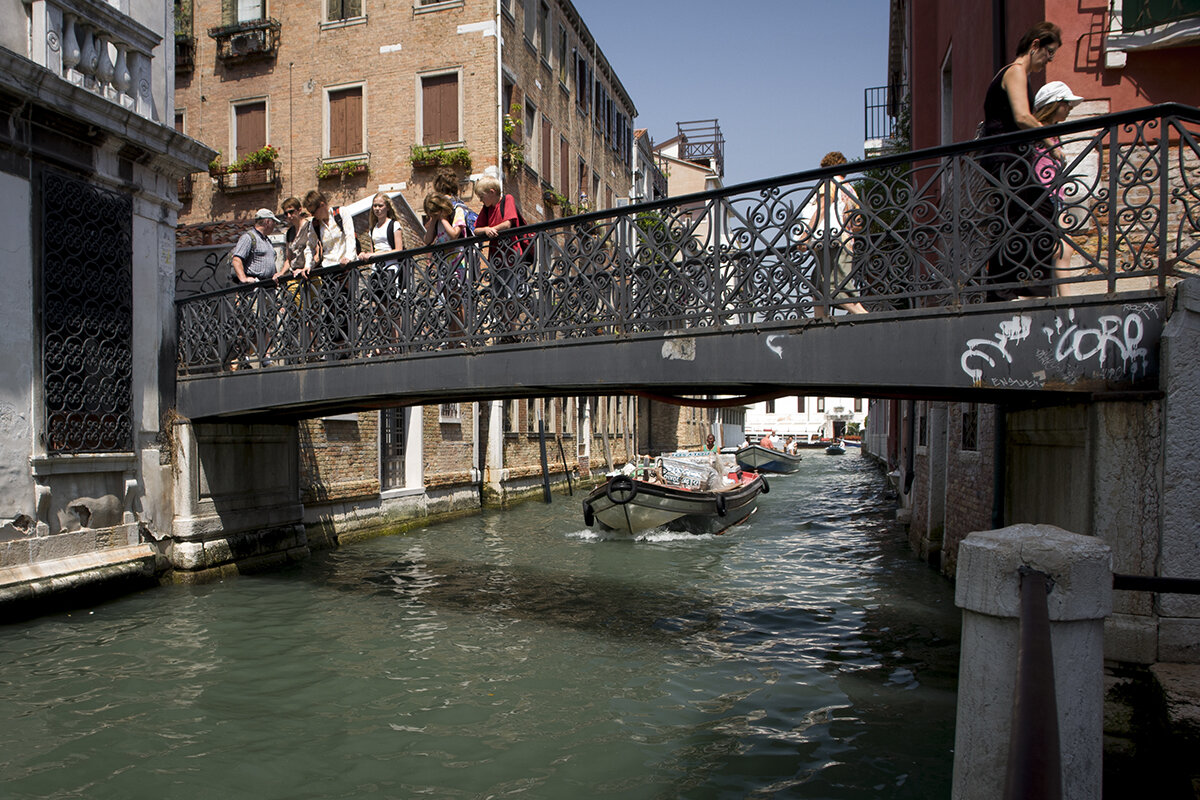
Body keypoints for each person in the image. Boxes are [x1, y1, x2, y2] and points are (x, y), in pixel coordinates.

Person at [981, 21, 1063, 301]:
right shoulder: (1015, 72)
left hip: (1006, 157)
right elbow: (1022, 117)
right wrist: (1051, 142)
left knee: (1016, 218)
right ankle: (1020, 287)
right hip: (1005, 157)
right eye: (1049, 53)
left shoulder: (1014, 74)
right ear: (1035, 45)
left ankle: (1007, 289)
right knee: (1039, 213)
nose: (1049, 60)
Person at [1031, 81, 1085, 296]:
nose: (1069, 109)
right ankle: (1065, 298)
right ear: (1055, 104)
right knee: (1062, 247)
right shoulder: (1038, 131)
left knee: (1061, 248)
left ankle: (1063, 297)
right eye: (1067, 104)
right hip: (1045, 195)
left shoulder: (1052, 133)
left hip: (1056, 196)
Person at [799, 152, 867, 316]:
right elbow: (858, 223)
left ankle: (865, 317)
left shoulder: (829, 182)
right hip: (845, 242)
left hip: (832, 242)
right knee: (818, 285)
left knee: (836, 286)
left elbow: (822, 208)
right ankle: (820, 323)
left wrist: (805, 236)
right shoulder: (850, 189)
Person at [304, 190, 359, 356]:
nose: (313, 215)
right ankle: (335, 346)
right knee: (329, 307)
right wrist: (308, 264)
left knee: (345, 305)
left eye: (314, 211)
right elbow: (309, 246)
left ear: (322, 205)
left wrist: (349, 257)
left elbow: (350, 236)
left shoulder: (341, 213)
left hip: (344, 267)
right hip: (328, 268)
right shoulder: (315, 224)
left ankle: (348, 347)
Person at [474, 175, 529, 340]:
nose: (480, 200)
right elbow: (476, 229)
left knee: (511, 291)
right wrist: (486, 230)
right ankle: (504, 329)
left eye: (481, 196)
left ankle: (512, 329)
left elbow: (508, 223)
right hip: (496, 257)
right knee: (498, 293)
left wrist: (492, 229)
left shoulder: (507, 199)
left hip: (511, 253)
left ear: (492, 192)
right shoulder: (487, 208)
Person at [422, 192, 469, 343]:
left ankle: (461, 336)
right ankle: (451, 337)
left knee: (457, 298)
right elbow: (427, 240)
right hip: (444, 263)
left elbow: (454, 234)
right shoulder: (435, 220)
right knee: (449, 301)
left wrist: (442, 218)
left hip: (457, 259)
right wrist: (433, 220)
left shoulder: (457, 211)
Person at [278, 196, 321, 360]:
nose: (288, 216)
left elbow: (317, 251)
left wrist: (309, 267)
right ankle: (304, 348)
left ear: (298, 211)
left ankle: (314, 349)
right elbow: (289, 258)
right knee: (299, 313)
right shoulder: (289, 232)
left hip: (311, 275)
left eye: (291, 212)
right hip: (295, 277)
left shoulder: (310, 227)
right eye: (285, 214)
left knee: (314, 313)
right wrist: (281, 273)